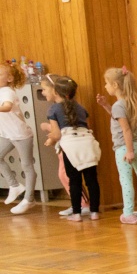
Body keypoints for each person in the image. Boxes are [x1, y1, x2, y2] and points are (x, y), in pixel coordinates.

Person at [95, 67, 137, 224]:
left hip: (125, 147)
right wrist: (105, 106)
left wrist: (128, 151)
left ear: (115, 85)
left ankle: (128, 212)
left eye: (107, 83)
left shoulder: (119, 105)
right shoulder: (128, 102)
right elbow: (120, 119)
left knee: (125, 180)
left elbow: (126, 129)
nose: (105, 86)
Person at [44, 76, 101, 222]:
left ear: (56, 92)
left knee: (74, 181)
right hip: (87, 143)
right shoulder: (81, 108)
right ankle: (94, 212)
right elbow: (87, 126)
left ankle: (77, 214)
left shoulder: (53, 109)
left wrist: (49, 136)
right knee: (92, 180)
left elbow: (57, 134)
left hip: (70, 146)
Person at [0, 60, 37, 214]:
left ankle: (29, 198)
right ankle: (14, 185)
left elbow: (7, 107)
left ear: (9, 79)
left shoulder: (8, 91)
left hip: (21, 135)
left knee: (27, 166)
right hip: (6, 135)